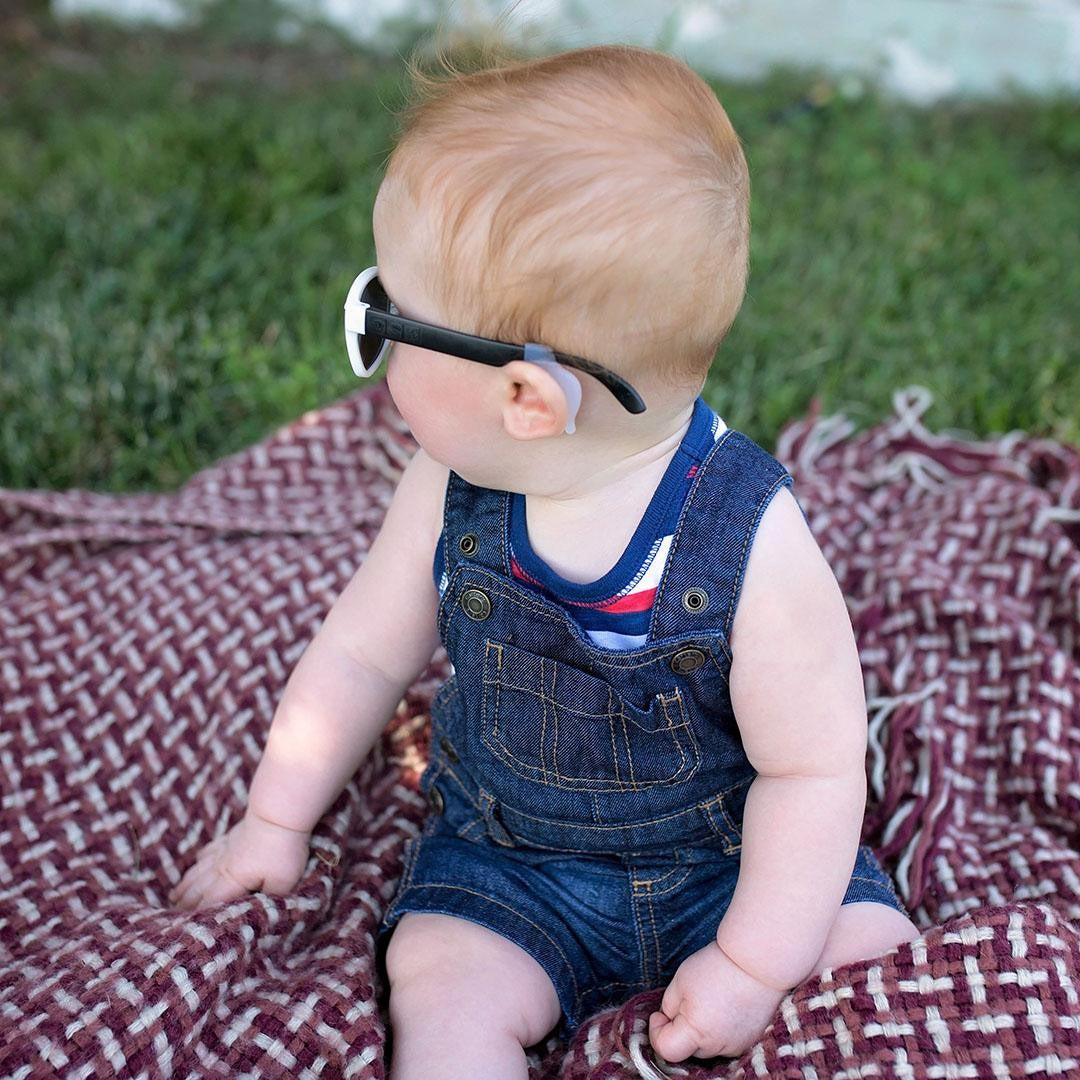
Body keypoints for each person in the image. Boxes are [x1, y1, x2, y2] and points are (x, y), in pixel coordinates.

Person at [169, 44, 920, 1077]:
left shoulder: (751, 538)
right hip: (514, 869)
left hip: (731, 867)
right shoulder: (447, 491)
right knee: (438, 974)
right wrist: (270, 820)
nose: (375, 342)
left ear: (524, 399)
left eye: (386, 315)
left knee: (871, 958)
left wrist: (751, 964)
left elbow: (814, 769)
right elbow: (358, 657)